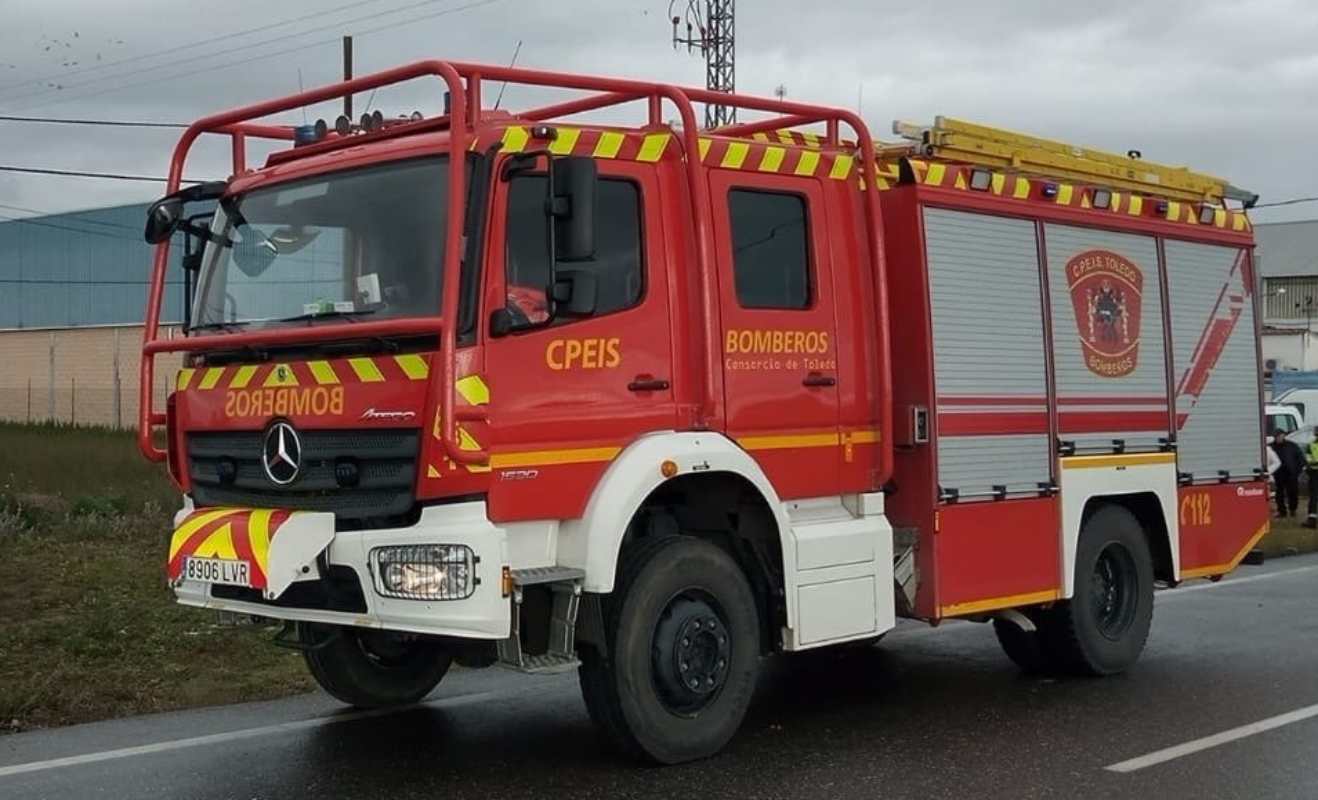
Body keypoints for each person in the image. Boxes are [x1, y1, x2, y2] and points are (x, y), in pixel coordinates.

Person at [1271, 429, 1305, 519]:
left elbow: (1300, 458)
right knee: (1279, 493)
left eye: (1280, 436)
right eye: (1277, 436)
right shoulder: (1271, 447)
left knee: (1293, 492)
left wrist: (1297, 471)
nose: (1278, 438)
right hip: (1278, 474)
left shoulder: (1292, 446)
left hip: (1291, 473)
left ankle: (1293, 509)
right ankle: (1282, 511)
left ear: (1284, 436)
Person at [1305, 438, 1318, 529]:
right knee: (1313, 496)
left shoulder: (1311, 445)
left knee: (1313, 496)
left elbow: (1309, 460)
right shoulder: (1311, 445)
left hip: (1314, 473)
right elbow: (1308, 459)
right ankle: (1312, 520)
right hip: (1314, 473)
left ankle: (1312, 520)